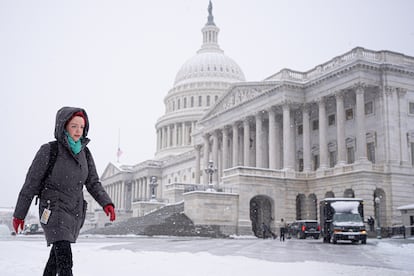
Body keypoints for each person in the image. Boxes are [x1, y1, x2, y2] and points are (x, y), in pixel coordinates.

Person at [12, 107, 116, 276]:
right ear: (64, 126)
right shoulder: (49, 150)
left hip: (74, 211)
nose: (78, 131)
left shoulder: (85, 153)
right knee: (65, 259)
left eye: (81, 127)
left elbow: (93, 182)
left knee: (56, 258)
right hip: (53, 210)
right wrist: (19, 214)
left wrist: (106, 203)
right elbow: (31, 184)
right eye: (74, 126)